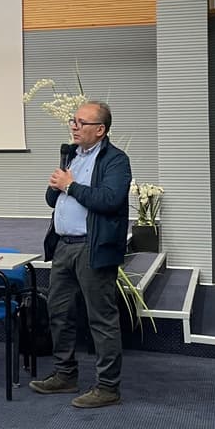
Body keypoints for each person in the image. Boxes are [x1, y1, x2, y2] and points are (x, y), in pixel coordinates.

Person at [29, 100, 132, 409]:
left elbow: (110, 200)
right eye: (73, 121)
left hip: (93, 247)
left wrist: (70, 185)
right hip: (64, 246)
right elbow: (52, 198)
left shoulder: (115, 161)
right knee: (58, 312)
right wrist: (60, 181)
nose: (73, 126)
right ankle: (65, 374)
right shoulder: (71, 155)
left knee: (101, 319)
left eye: (81, 122)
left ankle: (107, 387)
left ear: (100, 130)